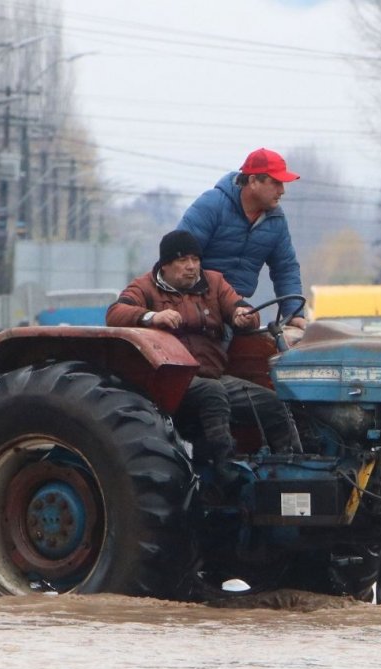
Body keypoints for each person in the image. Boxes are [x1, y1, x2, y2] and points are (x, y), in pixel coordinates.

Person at [107, 230, 301, 489]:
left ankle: (291, 467)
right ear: (165, 265)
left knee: (271, 402)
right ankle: (225, 468)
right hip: (171, 381)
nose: (191, 267)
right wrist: (152, 317)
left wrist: (243, 316)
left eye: (195, 259)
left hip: (213, 374)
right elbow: (115, 313)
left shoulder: (214, 283)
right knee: (212, 393)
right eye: (183, 260)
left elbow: (243, 309)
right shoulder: (145, 287)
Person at [178, 147, 308, 344]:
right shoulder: (211, 205)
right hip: (197, 300)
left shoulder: (276, 220)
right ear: (254, 181)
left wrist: (294, 313)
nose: (282, 190)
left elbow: (286, 268)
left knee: (270, 348)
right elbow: (179, 256)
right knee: (217, 340)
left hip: (237, 307)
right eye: (276, 182)